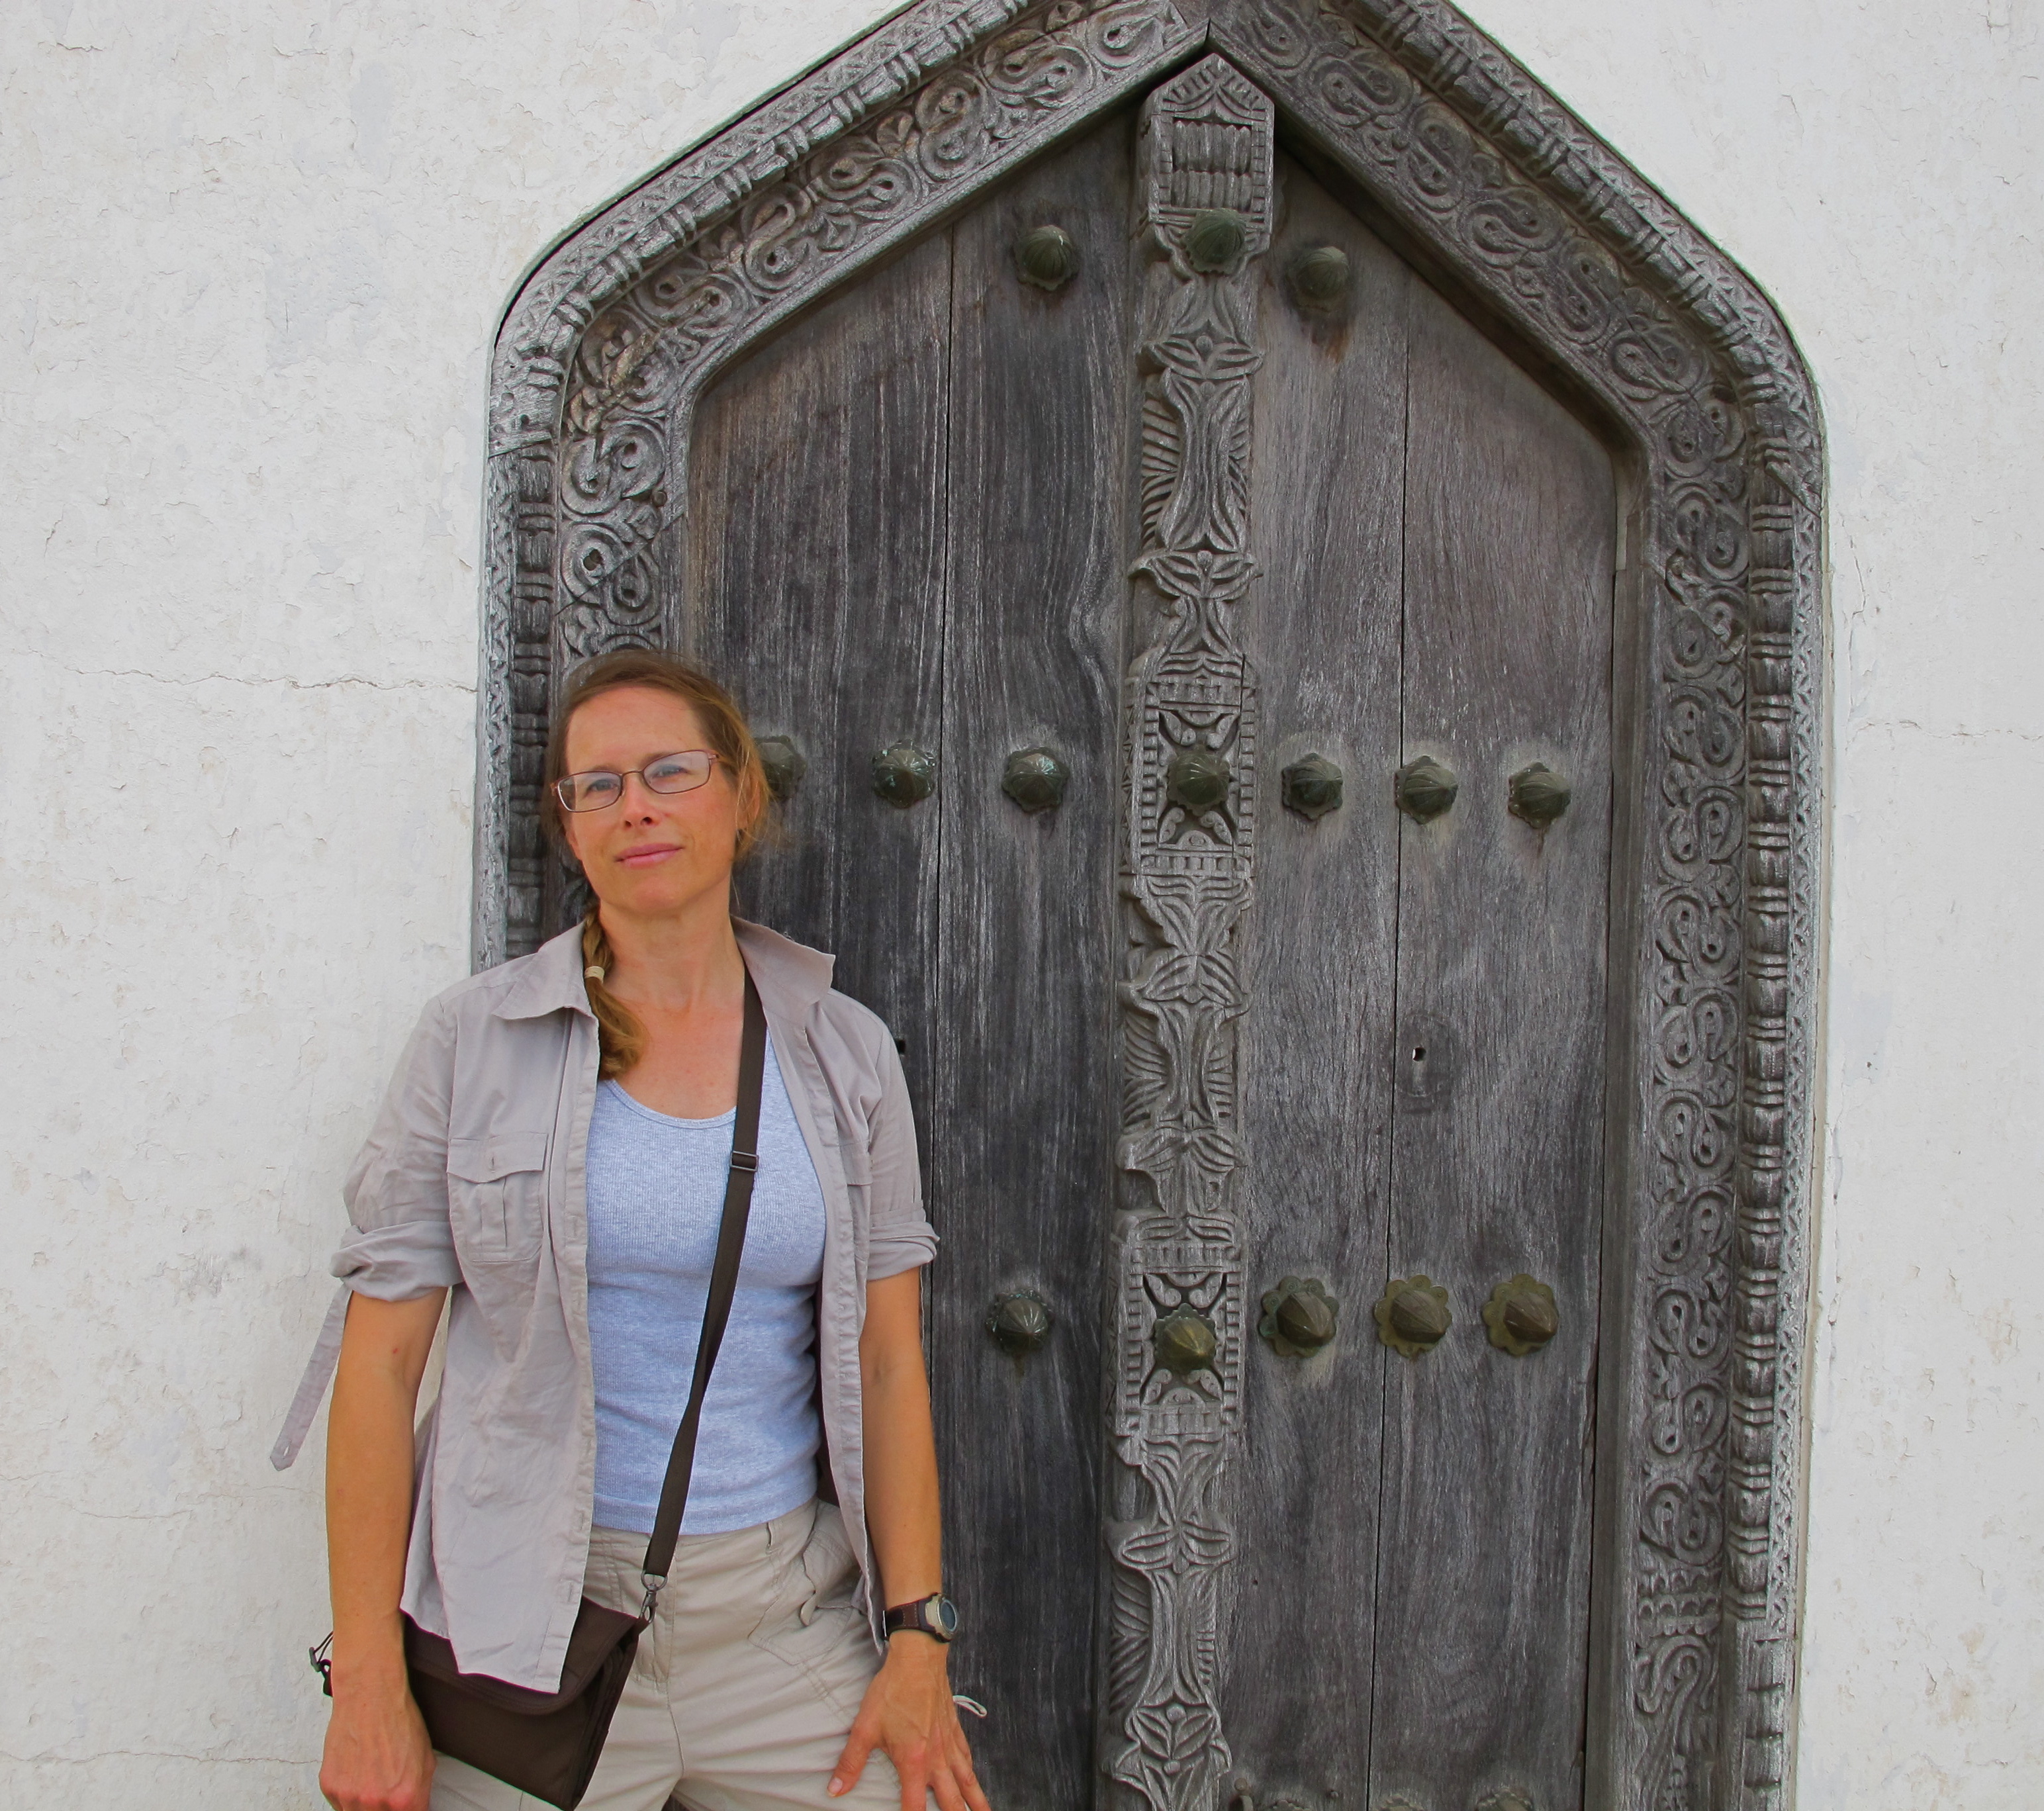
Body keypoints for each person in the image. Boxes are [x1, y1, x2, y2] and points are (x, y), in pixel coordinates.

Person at [277, 649, 987, 1811]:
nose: (635, 807)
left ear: (741, 794)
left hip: (783, 1626)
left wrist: (919, 1638)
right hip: (527, 1627)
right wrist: (366, 1682)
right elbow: (381, 1365)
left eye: (669, 771)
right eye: (595, 786)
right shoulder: (472, 1042)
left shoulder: (844, 1049)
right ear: (568, 826)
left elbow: (888, 1358)